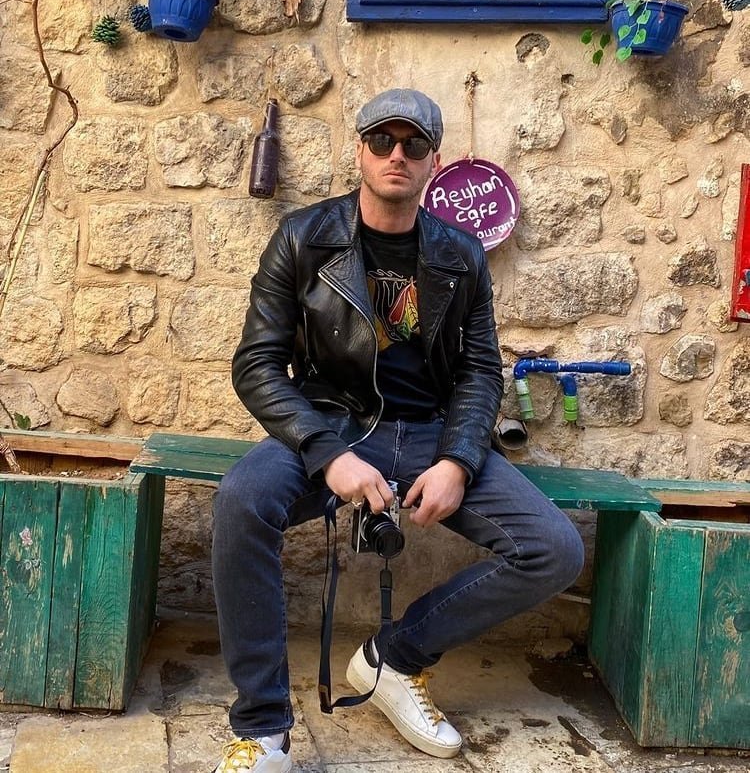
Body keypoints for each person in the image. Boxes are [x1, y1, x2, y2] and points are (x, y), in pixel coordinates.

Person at [211, 88, 584, 773]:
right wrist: (326, 453)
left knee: (555, 550)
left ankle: (396, 658)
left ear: (433, 160)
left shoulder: (460, 254)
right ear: (359, 149)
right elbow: (257, 364)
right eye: (382, 140)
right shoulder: (303, 237)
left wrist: (458, 462)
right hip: (330, 424)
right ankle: (262, 730)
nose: (396, 155)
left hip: (432, 434)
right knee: (241, 501)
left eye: (414, 145)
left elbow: (479, 370)